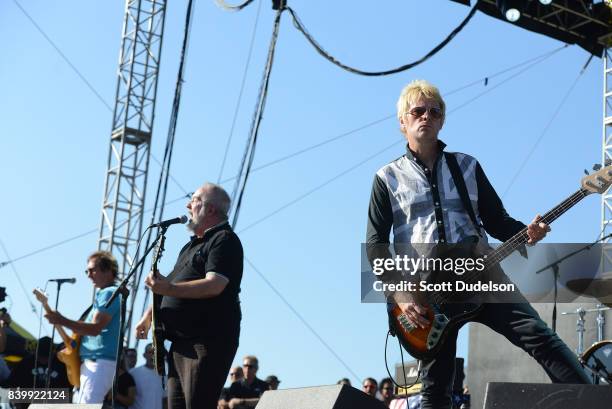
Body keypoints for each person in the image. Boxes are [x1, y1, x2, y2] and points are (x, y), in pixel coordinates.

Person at [366, 80, 591, 409]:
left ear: (442, 120)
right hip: (427, 294)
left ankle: (594, 400)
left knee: (541, 338)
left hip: (484, 276)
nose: (426, 116)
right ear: (403, 122)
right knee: (435, 388)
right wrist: (399, 292)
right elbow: (375, 245)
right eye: (418, 111)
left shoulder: (467, 166)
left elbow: (496, 219)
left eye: (434, 111)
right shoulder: (386, 178)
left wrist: (526, 230)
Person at [135, 182, 244, 409]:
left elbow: (215, 284)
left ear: (210, 209)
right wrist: (148, 316)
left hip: (206, 341)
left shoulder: (224, 240)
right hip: (180, 343)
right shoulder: (190, 247)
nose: (187, 205)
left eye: (193, 200)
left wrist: (169, 289)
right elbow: (169, 286)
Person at [44, 251, 121, 404]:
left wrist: (62, 320)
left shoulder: (108, 293)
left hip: (100, 362)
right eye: (87, 271)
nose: (88, 274)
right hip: (93, 362)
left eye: (93, 270)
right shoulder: (105, 294)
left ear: (108, 270)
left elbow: (94, 329)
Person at [129, 343, 164, 409]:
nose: (153, 355)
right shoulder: (133, 373)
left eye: (155, 353)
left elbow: (165, 400)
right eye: (150, 352)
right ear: (144, 355)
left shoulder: (164, 375)